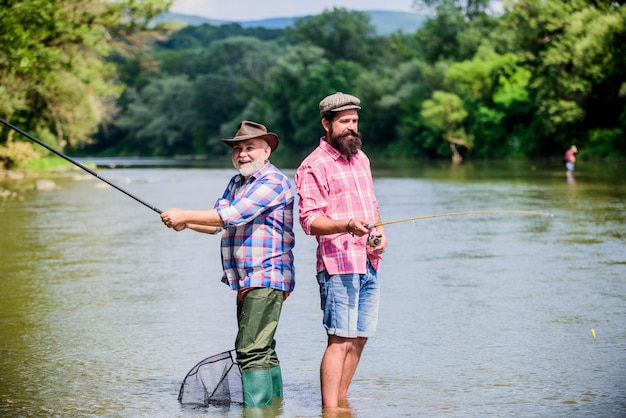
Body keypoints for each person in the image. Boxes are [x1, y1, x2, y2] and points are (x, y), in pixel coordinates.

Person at [160, 120, 295, 408]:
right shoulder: (236, 183)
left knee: (251, 350)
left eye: (250, 148)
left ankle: (258, 412)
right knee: (262, 350)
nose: (242, 154)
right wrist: (188, 223)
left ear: (266, 150)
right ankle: (273, 410)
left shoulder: (274, 182)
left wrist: (184, 213)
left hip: (266, 275)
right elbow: (218, 224)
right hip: (246, 279)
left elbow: (233, 215)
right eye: (238, 149)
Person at [294, 92, 387, 410]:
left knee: (360, 337)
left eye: (355, 121)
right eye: (344, 121)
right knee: (340, 338)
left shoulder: (362, 159)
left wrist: (381, 230)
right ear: (326, 124)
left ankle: (341, 402)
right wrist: (346, 225)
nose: (351, 127)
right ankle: (329, 409)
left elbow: (372, 204)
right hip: (337, 263)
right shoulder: (312, 166)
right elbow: (309, 222)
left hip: (369, 261)